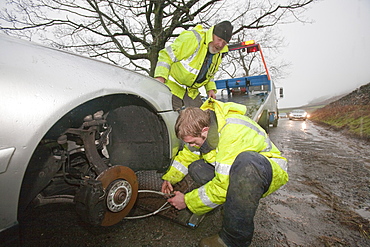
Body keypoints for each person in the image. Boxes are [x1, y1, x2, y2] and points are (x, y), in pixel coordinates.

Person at [161, 98, 289, 247]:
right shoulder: (204, 126)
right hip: (237, 170)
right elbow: (187, 156)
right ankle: (231, 204)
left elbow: (224, 185)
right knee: (197, 168)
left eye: (193, 142)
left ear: (204, 131)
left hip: (265, 170)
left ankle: (232, 240)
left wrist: (187, 201)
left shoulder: (232, 131)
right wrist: (169, 179)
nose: (191, 146)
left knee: (246, 163)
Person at [154, 21, 233, 110]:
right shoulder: (193, 38)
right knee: (174, 120)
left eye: (224, 43)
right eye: (219, 39)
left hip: (191, 92)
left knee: (200, 120)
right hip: (172, 88)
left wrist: (210, 89)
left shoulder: (218, 53)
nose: (220, 45)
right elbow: (166, 55)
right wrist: (160, 78)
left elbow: (209, 74)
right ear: (212, 35)